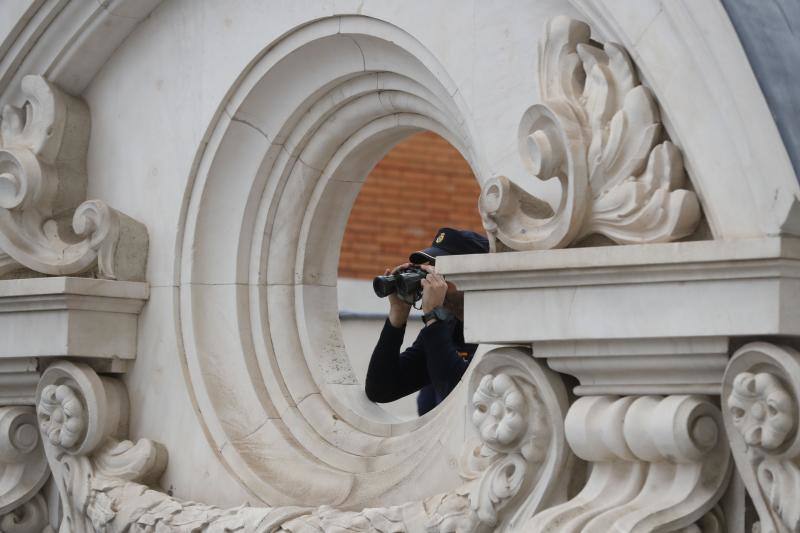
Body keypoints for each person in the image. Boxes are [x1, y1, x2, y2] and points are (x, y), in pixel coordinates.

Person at [364, 227, 489, 415]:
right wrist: (398, 314)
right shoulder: (446, 327)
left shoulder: (497, 330)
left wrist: (433, 317)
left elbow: (458, 393)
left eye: (441, 270)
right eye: (430, 269)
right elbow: (381, 389)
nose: (431, 278)